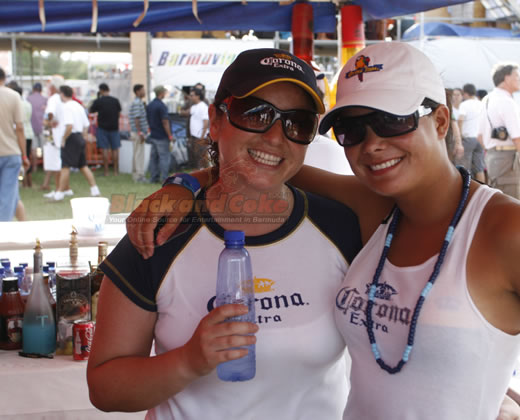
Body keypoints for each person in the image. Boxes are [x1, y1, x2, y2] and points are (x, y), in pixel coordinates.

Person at [127, 43, 520, 419]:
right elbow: (265, 164)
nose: (371, 144)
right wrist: (185, 184)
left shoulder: (510, 232)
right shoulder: (375, 212)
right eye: (352, 129)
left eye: (392, 121)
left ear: (439, 121)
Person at [87, 48, 362, 419]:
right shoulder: (160, 232)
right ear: (215, 121)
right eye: (256, 113)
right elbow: (105, 388)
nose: (275, 136)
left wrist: (185, 182)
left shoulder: (344, 229)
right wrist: (188, 361)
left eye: (297, 122)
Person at [478, 62, 520, 200]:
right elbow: (518, 138)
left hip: (492, 157)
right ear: (507, 78)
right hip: (507, 160)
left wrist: (493, 151)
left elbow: (479, 136)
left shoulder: (486, 100)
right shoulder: (507, 101)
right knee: (509, 204)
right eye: (517, 75)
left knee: (497, 202)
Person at [48, 85, 100, 201]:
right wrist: (84, 136)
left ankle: (59, 193)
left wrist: (63, 139)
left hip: (71, 138)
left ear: (62, 94)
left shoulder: (66, 107)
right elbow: (86, 124)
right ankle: (94, 189)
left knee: (65, 166)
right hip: (79, 137)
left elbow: (69, 126)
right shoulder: (78, 106)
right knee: (83, 165)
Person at [0, 67, 29, 221]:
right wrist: (24, 155)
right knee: (8, 194)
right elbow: (19, 128)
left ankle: (22, 227)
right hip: (11, 152)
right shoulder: (13, 96)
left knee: (11, 195)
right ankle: (4, 230)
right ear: (4, 78)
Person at [89, 83, 122, 176]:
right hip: (114, 128)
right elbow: (119, 113)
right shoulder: (115, 100)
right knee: (115, 149)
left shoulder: (99, 101)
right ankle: (115, 171)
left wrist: (97, 97)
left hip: (102, 128)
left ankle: (106, 172)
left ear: (101, 90)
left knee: (104, 149)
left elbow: (91, 110)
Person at [7, 81, 34, 188]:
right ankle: (29, 182)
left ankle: (22, 182)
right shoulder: (28, 104)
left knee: (21, 158)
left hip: (19, 134)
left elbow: (18, 125)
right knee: (27, 156)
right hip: (29, 132)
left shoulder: (16, 104)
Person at [457, 83, 485, 182]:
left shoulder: (464, 104)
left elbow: (460, 120)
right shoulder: (481, 104)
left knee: (465, 168)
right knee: (479, 167)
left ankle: (467, 188)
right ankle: (483, 188)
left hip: (468, 138)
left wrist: (459, 136)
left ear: (465, 93)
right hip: (480, 139)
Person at [146, 85, 174, 183]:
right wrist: (170, 135)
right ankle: (164, 178)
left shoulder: (150, 105)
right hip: (162, 136)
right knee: (164, 157)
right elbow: (165, 121)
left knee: (153, 158)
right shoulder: (161, 106)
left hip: (153, 134)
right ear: (161, 93)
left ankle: (154, 177)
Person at [41, 76, 64, 195]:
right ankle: (61, 188)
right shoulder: (61, 98)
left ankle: (58, 189)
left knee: (55, 164)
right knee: (58, 163)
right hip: (58, 134)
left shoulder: (53, 98)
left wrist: (49, 122)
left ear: (54, 86)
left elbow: (50, 113)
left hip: (52, 135)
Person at [129, 84, 149, 183]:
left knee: (136, 153)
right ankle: (139, 176)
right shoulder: (137, 103)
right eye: (142, 90)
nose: (144, 92)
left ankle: (135, 174)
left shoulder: (137, 102)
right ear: (137, 92)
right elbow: (137, 118)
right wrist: (140, 132)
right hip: (138, 132)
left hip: (136, 132)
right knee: (139, 154)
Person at [27, 82, 47, 176]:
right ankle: (46, 166)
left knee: (33, 148)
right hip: (42, 126)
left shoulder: (28, 99)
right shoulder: (45, 99)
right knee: (44, 148)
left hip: (31, 126)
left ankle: (34, 167)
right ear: (41, 90)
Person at [187, 87, 209, 168]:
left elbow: (206, 122)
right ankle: (199, 171)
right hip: (194, 136)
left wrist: (202, 137)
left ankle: (205, 172)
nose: (190, 97)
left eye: (192, 95)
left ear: (198, 96)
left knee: (202, 157)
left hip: (201, 136)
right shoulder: (193, 107)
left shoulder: (203, 107)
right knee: (196, 156)